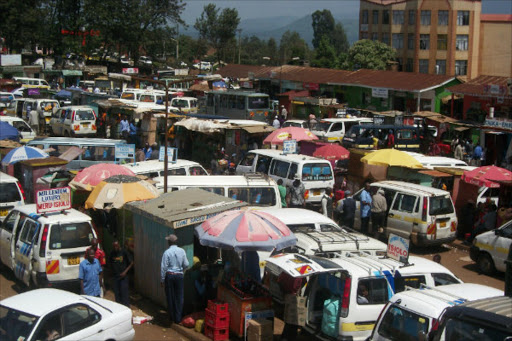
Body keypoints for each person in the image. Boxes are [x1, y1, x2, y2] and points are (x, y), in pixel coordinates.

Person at [160, 234, 189, 325]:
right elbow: (186, 264)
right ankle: (178, 319)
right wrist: (181, 270)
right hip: (179, 276)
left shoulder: (167, 252)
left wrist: (162, 279)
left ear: (169, 242)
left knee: (170, 296)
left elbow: (163, 267)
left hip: (170, 276)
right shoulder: (182, 251)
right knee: (179, 297)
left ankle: (171, 317)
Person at [109, 240, 133, 307]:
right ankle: (119, 308)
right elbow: (110, 263)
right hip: (116, 277)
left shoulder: (124, 252)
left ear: (119, 245)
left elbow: (131, 263)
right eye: (114, 247)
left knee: (124, 294)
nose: (115, 248)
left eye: (116, 246)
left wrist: (125, 272)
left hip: (123, 277)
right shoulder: (112, 253)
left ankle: (126, 308)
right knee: (117, 294)